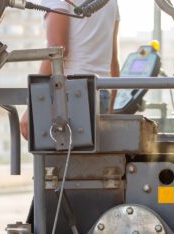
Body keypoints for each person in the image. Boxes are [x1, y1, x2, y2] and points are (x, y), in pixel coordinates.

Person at [20, 0, 120, 140]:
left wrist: (33, 104)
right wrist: (110, 109)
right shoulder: (111, 2)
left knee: (62, 162)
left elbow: (57, 49)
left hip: (71, 96)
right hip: (101, 93)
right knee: (91, 161)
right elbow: (113, 61)